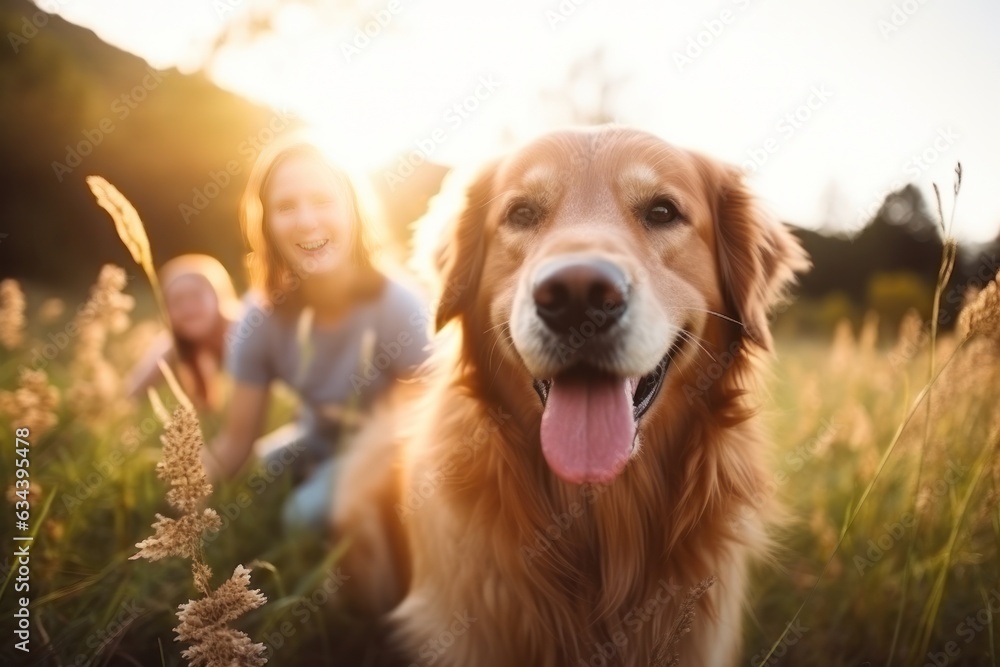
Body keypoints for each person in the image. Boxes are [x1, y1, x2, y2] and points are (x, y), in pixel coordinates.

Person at [203, 134, 431, 532]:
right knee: (259, 475)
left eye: (323, 201)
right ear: (268, 226)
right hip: (316, 440)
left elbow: (428, 429)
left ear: (353, 212)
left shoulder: (399, 305)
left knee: (300, 517)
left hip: (391, 450)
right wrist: (179, 503)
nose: (307, 221)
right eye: (286, 207)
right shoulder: (259, 317)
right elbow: (236, 443)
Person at [127, 254, 242, 413]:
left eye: (196, 296)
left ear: (218, 297)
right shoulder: (171, 345)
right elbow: (130, 395)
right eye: (177, 301)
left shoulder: (243, 329)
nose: (188, 308)